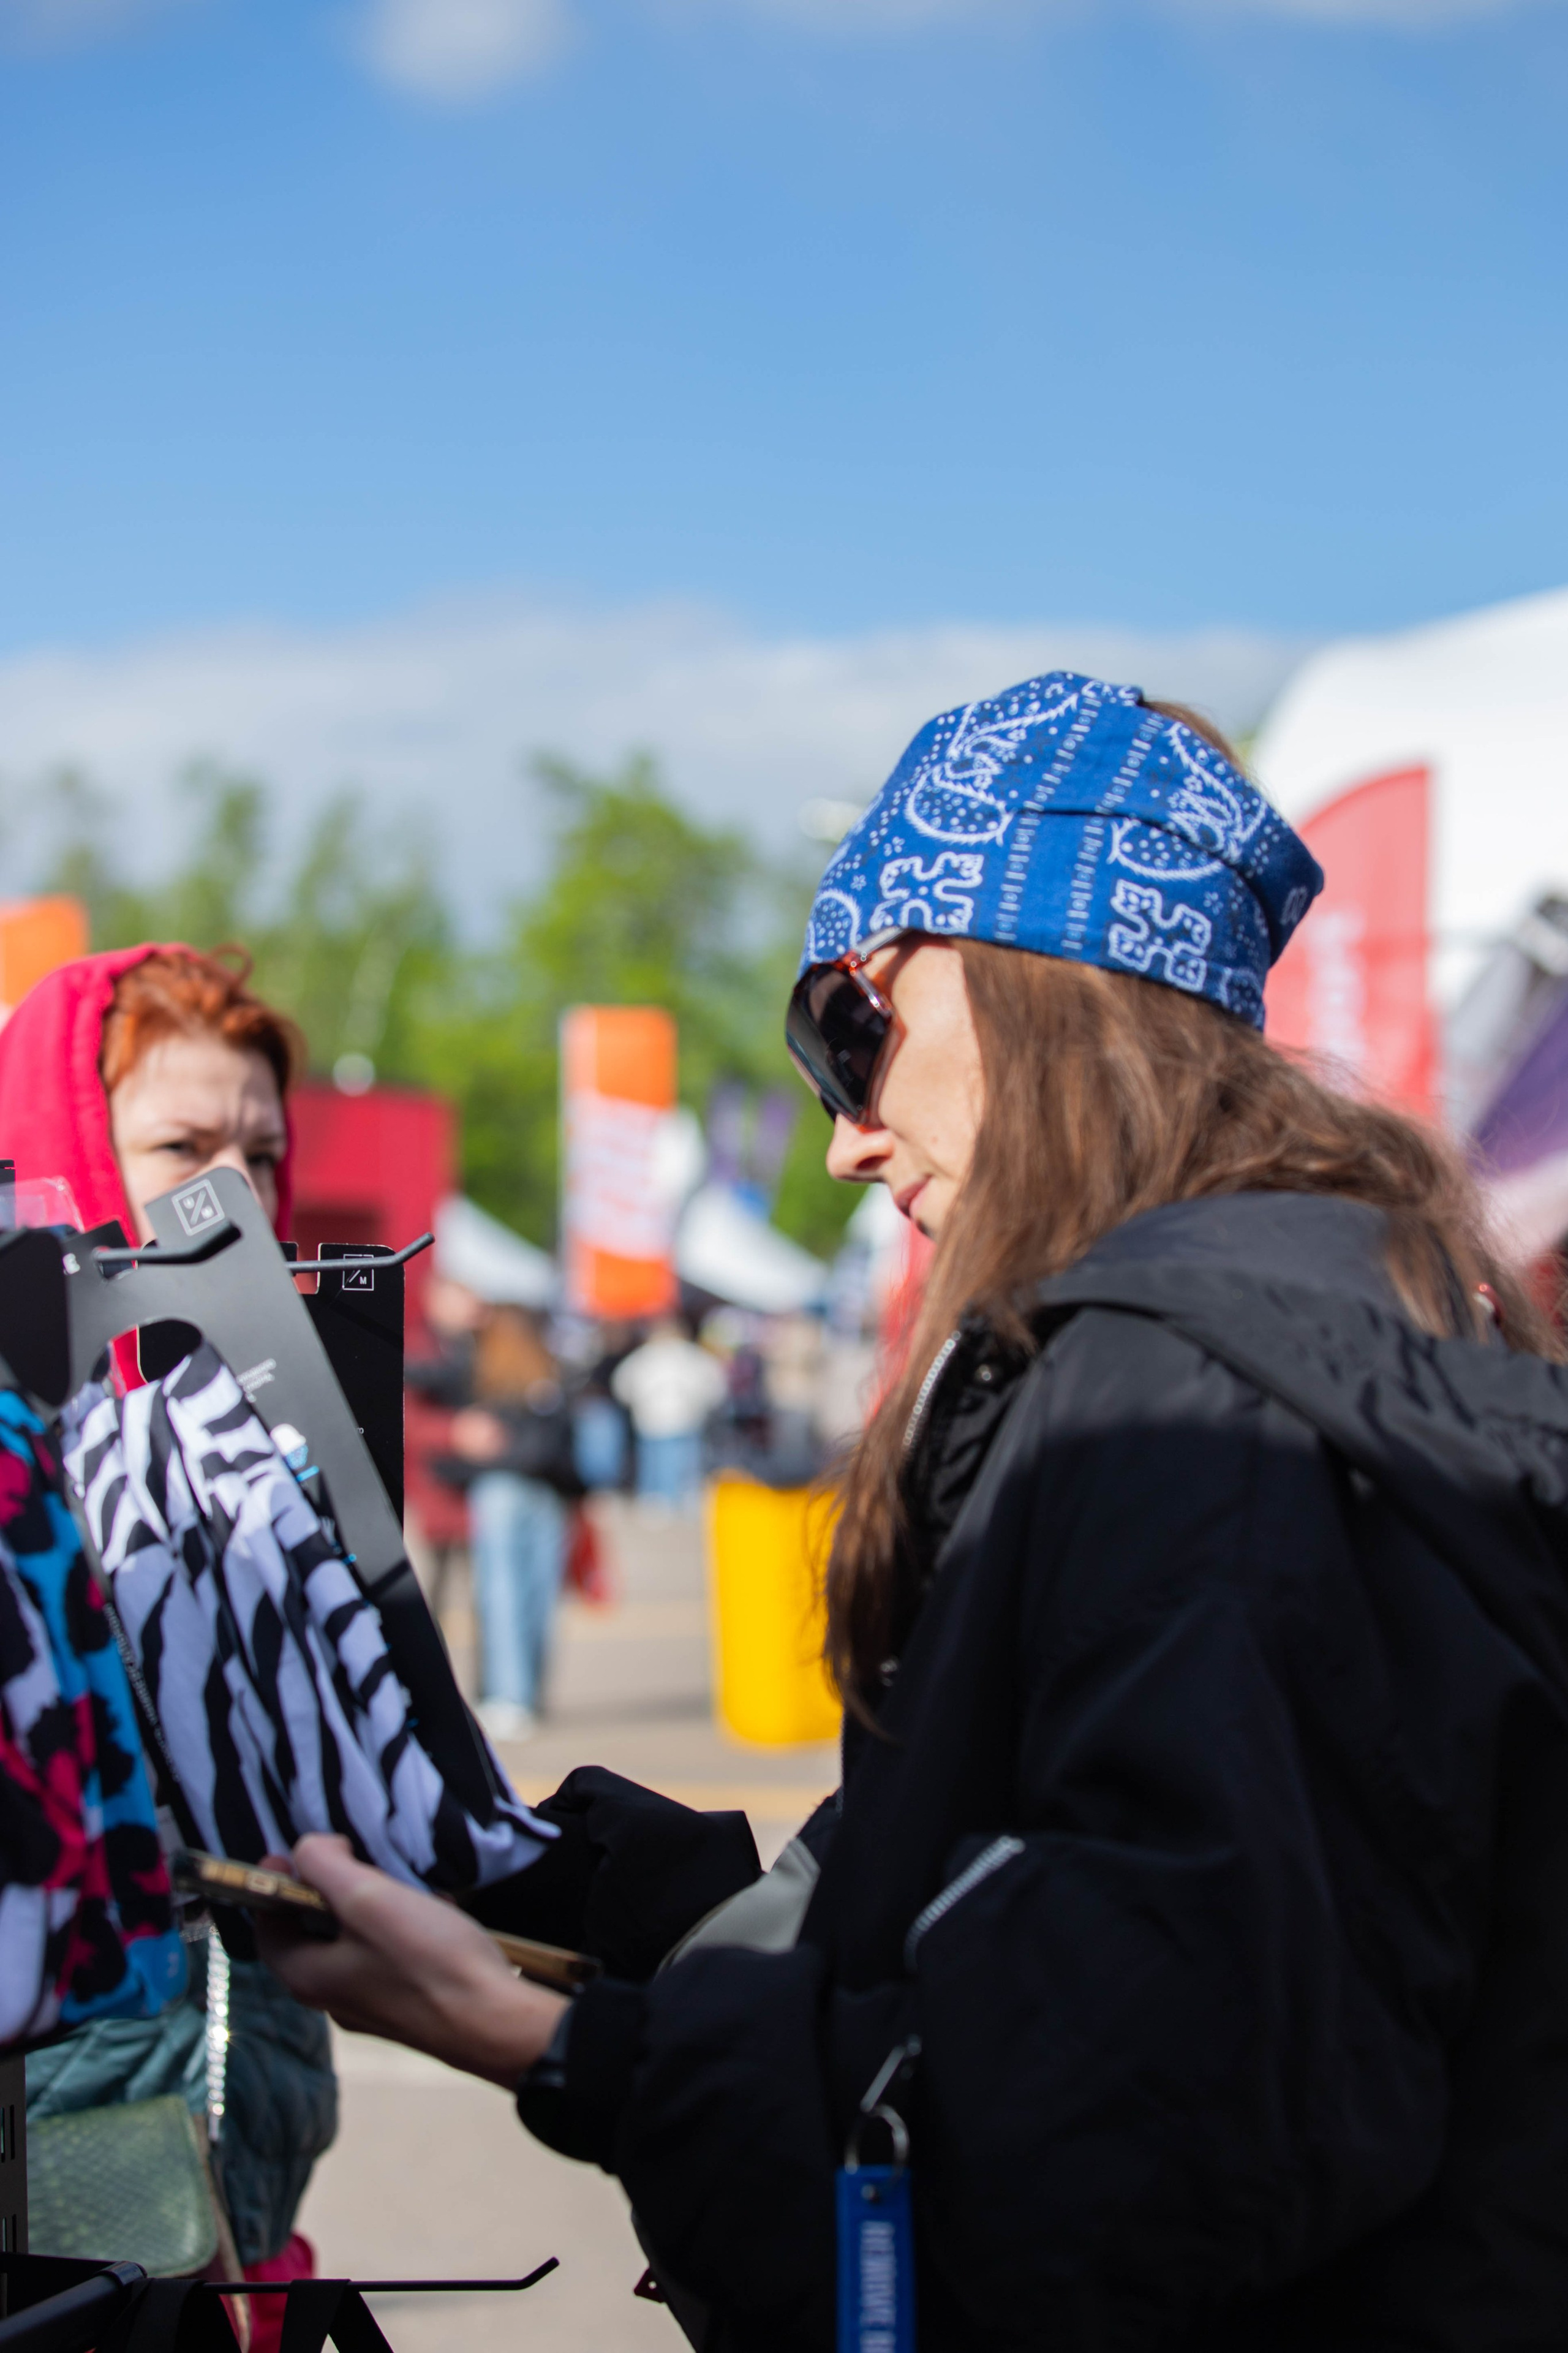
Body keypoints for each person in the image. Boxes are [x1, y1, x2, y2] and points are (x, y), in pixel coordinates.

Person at [258, 676, 1568, 2349]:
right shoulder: (1280, 1339)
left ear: (1041, 983)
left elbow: (1126, 2133)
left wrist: (576, 2058)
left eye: (846, 1028)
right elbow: (1026, 1905)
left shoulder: (1194, 1414)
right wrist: (608, 1894)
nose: (844, 1144)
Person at [0, 945, 338, 2343]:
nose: (234, 1197)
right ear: (61, 1157)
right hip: (56, 2142)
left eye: (260, 1151)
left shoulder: (278, 1433)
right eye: (181, 1146)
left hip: (238, 2137)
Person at [437, 1302, 584, 1742]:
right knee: (537, 1598)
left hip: (502, 1490)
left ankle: (510, 1696)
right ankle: (525, 1696)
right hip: (546, 1492)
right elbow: (565, 1446)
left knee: (503, 1595)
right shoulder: (550, 1378)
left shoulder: (479, 1374)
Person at [611, 1315, 726, 1508]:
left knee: (664, 1461)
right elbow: (714, 1384)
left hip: (664, 1418)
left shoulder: (648, 1356)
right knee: (674, 1461)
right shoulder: (687, 1355)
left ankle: (661, 1497)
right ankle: (673, 1496)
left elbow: (622, 1384)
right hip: (674, 1418)